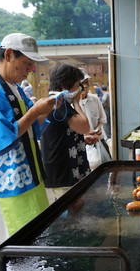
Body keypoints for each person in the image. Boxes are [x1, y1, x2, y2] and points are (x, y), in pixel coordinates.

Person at [0, 33, 56, 241]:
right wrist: (35, 112)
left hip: (28, 177)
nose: (31, 69)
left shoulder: (15, 88)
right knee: (17, 244)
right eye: (26, 63)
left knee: (38, 238)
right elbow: (2, 136)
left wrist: (48, 109)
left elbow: (30, 127)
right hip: (6, 181)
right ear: (8, 55)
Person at [40, 63, 92, 202]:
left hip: (62, 166)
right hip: (63, 170)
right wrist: (76, 102)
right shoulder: (58, 103)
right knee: (70, 210)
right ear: (64, 85)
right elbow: (84, 126)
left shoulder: (59, 102)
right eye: (77, 85)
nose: (79, 89)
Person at [79, 78, 112, 167]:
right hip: (81, 142)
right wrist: (84, 135)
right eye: (82, 83)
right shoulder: (72, 103)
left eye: (87, 83)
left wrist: (98, 129)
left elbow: (102, 119)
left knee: (106, 167)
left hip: (98, 139)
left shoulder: (95, 99)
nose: (85, 86)